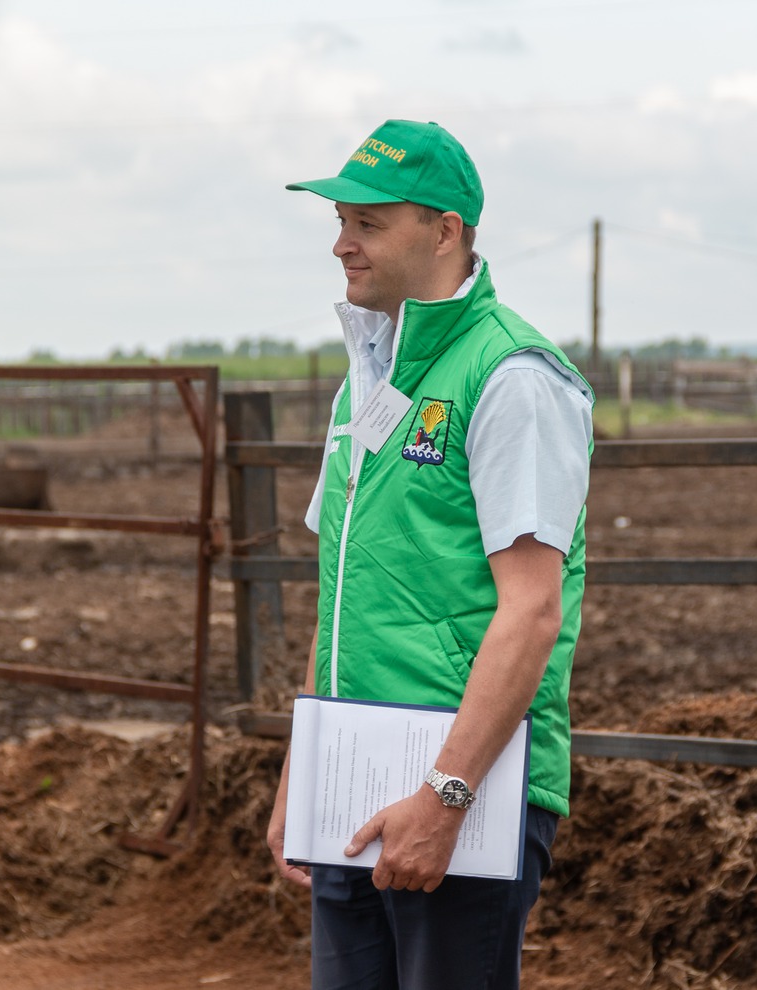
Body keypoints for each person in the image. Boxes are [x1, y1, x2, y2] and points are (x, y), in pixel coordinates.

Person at [264, 119, 593, 989]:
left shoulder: (513, 377)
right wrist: (303, 770)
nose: (341, 245)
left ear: (444, 230)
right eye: (340, 222)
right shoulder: (370, 378)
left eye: (367, 224)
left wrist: (446, 795)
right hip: (352, 779)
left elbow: (531, 611)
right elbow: (343, 585)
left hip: (462, 791)